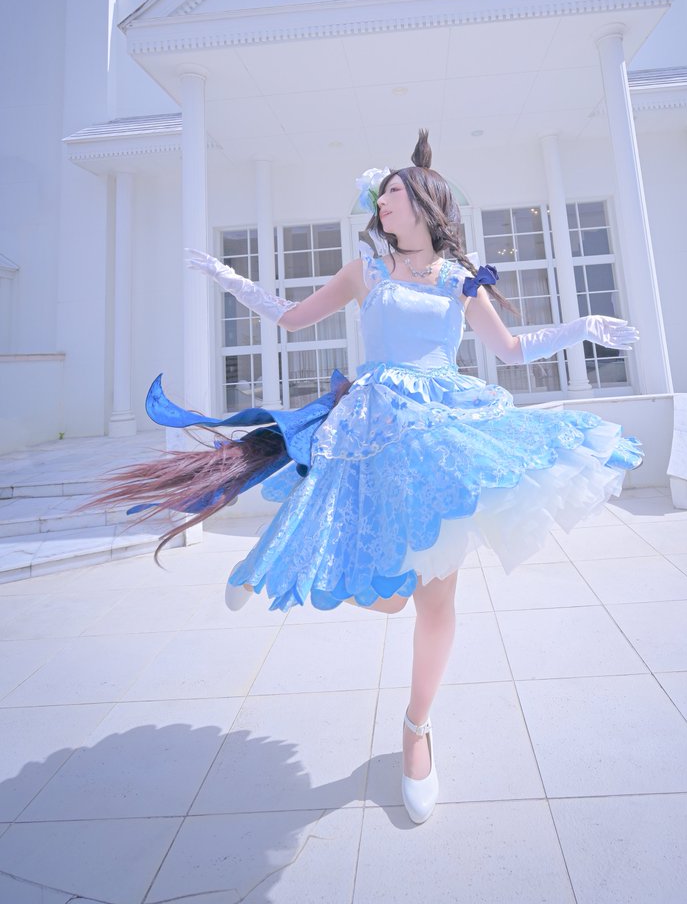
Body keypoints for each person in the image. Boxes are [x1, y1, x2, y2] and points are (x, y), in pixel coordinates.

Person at [93, 129, 642, 825]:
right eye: (379, 195)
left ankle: (417, 730)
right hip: (372, 432)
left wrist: (581, 326)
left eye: (393, 193)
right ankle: (271, 563)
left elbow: (510, 349)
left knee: (436, 600)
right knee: (385, 595)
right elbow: (292, 318)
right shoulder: (366, 271)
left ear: (425, 202)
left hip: (441, 433)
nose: (381, 203)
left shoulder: (458, 279)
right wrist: (231, 281)